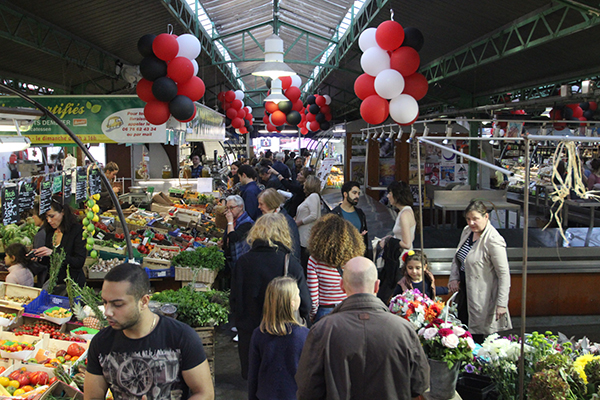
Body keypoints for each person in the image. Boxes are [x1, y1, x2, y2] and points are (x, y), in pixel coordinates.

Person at [295, 257, 430, 400]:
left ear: (342, 285)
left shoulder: (322, 331)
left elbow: (307, 390)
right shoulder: (403, 330)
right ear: (377, 286)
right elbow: (419, 385)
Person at [84, 263, 214, 400]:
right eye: (104, 302)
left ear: (144, 302)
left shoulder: (181, 337)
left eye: (117, 304)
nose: (107, 312)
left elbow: (205, 394)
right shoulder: (101, 343)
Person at [231, 213, 310, 380]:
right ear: (283, 233)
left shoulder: (243, 263)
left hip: (250, 335)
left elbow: (235, 301)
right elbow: (305, 305)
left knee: (255, 383)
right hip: (283, 336)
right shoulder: (291, 264)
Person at [448, 200, 512, 343]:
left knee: (476, 336)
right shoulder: (467, 231)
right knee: (461, 330)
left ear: (486, 217)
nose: (471, 223)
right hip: (464, 292)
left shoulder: (494, 240)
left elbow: (504, 274)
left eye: (475, 219)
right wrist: (454, 277)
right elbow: (458, 257)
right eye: (468, 219)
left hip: (481, 297)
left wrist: (502, 303)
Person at [248, 276, 309, 400]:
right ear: (292, 303)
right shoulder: (305, 335)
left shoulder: (259, 334)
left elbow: (253, 374)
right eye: (297, 294)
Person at [306, 214, 365, 322]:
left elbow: (314, 299)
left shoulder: (314, 261)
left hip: (325, 312)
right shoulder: (354, 259)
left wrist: (311, 316)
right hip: (348, 310)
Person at [34, 195, 87, 291]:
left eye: (52, 216)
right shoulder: (50, 231)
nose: (49, 220)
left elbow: (78, 262)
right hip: (54, 285)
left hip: (73, 286)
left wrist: (53, 254)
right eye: (46, 217)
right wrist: (39, 257)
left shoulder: (77, 231)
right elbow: (49, 263)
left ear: (63, 212)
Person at [257, 188, 301, 262]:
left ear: (270, 203)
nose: (259, 207)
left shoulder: (287, 222)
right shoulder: (265, 219)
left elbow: (294, 249)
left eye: (261, 204)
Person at [331, 181, 369, 257]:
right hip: (341, 257)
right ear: (345, 194)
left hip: (358, 257)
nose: (357, 196)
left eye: (358, 193)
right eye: (354, 193)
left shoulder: (360, 213)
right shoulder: (335, 214)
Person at [295, 175, 322, 272]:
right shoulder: (312, 197)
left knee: (304, 261)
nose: (304, 184)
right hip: (304, 234)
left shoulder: (313, 196)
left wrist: (299, 222)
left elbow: (313, 215)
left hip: (306, 235)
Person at [220, 195, 254, 271]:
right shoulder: (234, 220)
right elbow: (228, 236)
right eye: (227, 208)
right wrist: (223, 243)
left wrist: (230, 222)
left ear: (241, 207)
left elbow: (233, 238)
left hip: (241, 264)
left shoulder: (247, 223)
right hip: (231, 261)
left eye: (231, 208)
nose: (229, 211)